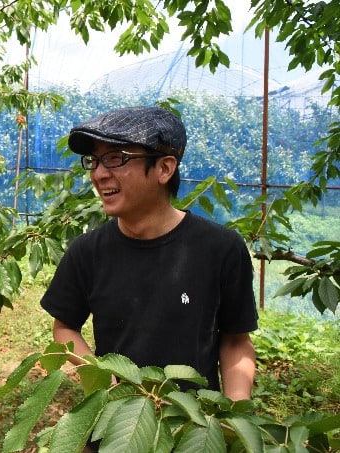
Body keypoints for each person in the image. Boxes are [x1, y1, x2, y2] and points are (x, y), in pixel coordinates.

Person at [39, 106, 258, 451]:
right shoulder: (87, 252)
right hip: (114, 430)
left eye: (115, 158)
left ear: (164, 168)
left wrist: (234, 411)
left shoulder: (220, 249)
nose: (98, 174)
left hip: (195, 429)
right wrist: (106, 386)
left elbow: (235, 340)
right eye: (94, 161)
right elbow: (64, 327)